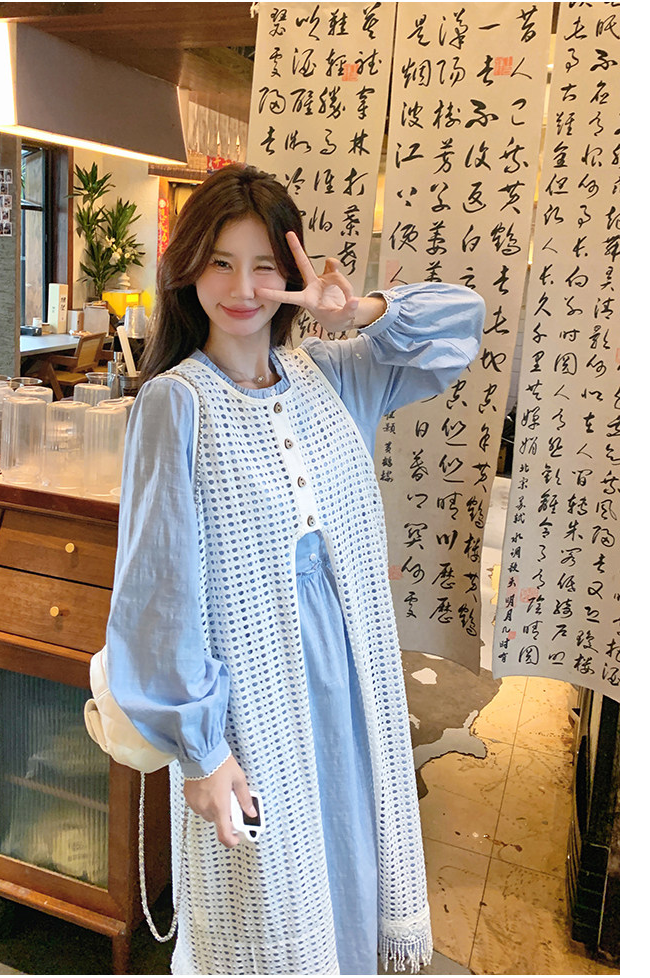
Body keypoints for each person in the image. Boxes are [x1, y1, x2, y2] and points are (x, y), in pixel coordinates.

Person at [105, 164, 485, 975]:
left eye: (264, 265)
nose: (243, 288)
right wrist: (204, 756)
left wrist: (360, 312)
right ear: (188, 270)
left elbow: (462, 325)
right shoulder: (176, 403)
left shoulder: (333, 373)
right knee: (267, 910)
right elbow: (158, 595)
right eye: (220, 262)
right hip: (251, 707)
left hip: (353, 691)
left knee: (350, 869)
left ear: (294, 270)